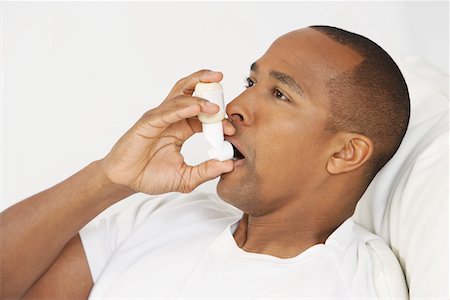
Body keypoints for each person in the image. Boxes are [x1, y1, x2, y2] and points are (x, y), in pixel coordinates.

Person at [0, 25, 410, 298]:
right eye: (251, 82)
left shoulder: (357, 283)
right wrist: (111, 178)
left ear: (344, 153)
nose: (234, 106)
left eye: (280, 94)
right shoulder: (161, 216)